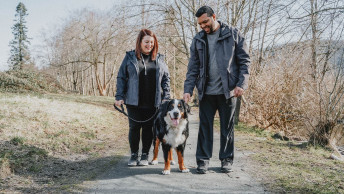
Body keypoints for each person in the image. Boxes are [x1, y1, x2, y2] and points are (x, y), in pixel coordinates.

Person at [183, 6, 250, 174]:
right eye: (200, 24)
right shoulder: (198, 39)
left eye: (206, 22)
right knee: (205, 127)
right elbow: (193, 67)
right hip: (206, 91)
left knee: (227, 128)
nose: (203, 26)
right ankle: (203, 160)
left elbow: (245, 61)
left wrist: (241, 84)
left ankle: (226, 159)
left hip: (228, 91)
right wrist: (188, 89)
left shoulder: (233, 34)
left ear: (214, 16)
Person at [115, 29, 170, 166]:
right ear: (139, 42)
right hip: (133, 100)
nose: (149, 45)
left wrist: (166, 97)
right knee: (134, 127)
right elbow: (121, 77)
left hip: (153, 101)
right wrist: (119, 96)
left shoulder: (160, 59)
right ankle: (134, 155)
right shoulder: (130, 57)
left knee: (148, 128)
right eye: (146, 42)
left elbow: (166, 79)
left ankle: (145, 155)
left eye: (152, 42)